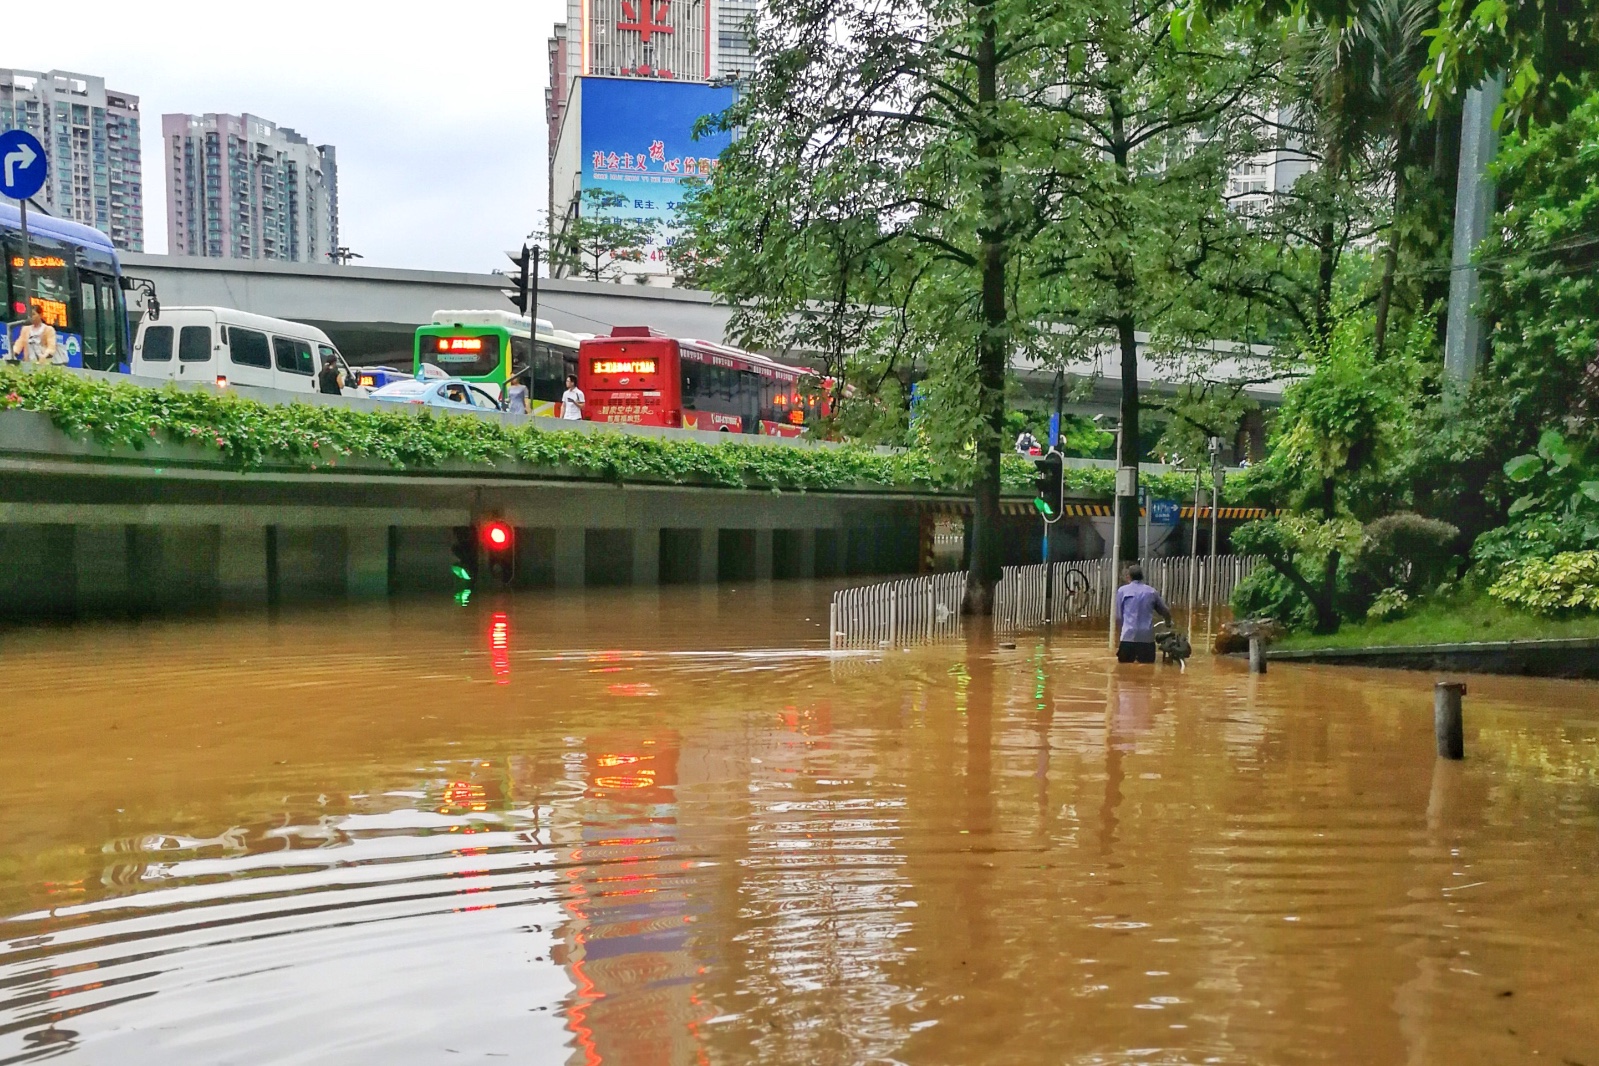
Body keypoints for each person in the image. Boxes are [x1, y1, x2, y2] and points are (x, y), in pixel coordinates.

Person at [1113, 563, 1173, 664]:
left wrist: (1121, 633)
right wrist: (1168, 622)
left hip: (1128, 636)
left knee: (1123, 670)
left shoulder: (1122, 591)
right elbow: (1165, 611)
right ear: (1142, 577)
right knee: (1148, 669)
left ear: (1129, 577)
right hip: (1147, 639)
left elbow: (1119, 616)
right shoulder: (1151, 592)